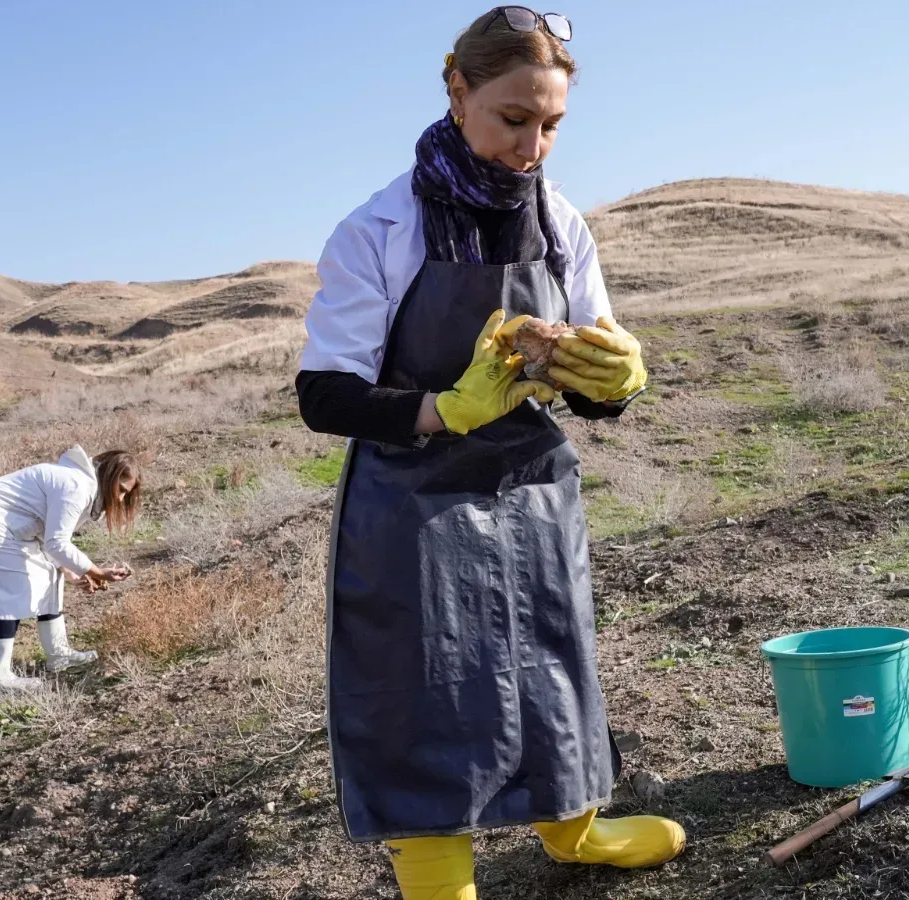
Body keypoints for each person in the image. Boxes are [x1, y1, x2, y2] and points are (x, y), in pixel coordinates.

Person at [295, 8, 681, 897]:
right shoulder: (379, 229)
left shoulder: (560, 221)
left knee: (552, 658)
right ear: (458, 91)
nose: (533, 147)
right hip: (412, 496)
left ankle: (575, 830)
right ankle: (438, 876)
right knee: (424, 683)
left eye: (551, 125)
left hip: (533, 487)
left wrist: (613, 377)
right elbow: (326, 394)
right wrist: (446, 408)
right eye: (515, 119)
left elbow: (596, 370)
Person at [0, 446, 139, 694]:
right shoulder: (76, 486)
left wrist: (71, 571)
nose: (120, 499)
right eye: (120, 490)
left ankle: (58, 655)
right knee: (13, 591)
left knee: (48, 575)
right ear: (109, 476)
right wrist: (97, 572)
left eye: (125, 494)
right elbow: (57, 542)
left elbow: (49, 541)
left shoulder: (79, 483)